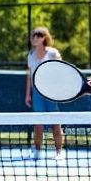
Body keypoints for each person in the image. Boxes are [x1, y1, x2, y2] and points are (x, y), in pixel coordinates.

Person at [24, 26, 65, 161]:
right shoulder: (30, 55)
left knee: (55, 122)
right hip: (36, 92)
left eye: (38, 35)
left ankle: (59, 152)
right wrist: (28, 95)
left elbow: (60, 70)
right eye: (33, 35)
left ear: (44, 37)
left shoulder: (53, 53)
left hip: (51, 91)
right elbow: (29, 76)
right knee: (38, 123)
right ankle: (37, 151)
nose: (35, 37)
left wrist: (57, 88)